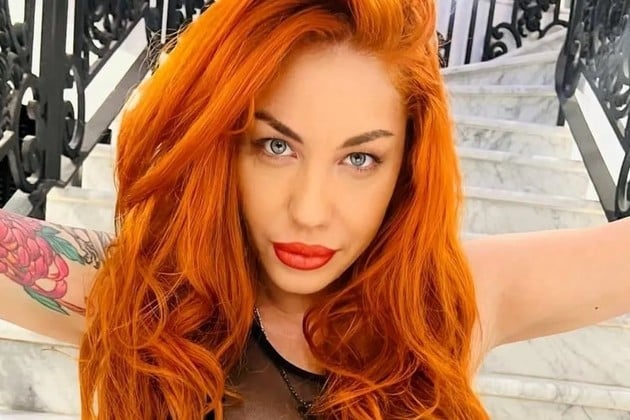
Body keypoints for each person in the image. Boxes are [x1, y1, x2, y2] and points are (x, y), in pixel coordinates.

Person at [0, 0, 627, 418]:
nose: (309, 211)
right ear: (224, 148)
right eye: (276, 146)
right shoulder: (150, 292)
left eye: (360, 159)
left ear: (407, 167)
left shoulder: (445, 300)